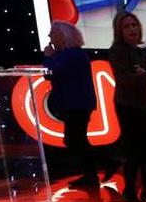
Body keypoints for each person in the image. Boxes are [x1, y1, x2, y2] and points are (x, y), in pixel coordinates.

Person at [109, 11, 146, 202]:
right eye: (127, 26)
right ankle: (129, 192)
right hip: (128, 106)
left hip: (144, 105)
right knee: (134, 150)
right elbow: (127, 80)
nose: (132, 29)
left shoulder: (141, 52)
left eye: (134, 25)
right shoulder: (117, 51)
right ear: (120, 31)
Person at [43, 21, 109, 187]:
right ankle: (94, 172)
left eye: (52, 33)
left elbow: (50, 73)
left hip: (76, 103)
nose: (49, 37)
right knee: (76, 139)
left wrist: (48, 57)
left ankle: (104, 165)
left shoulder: (71, 55)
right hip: (76, 103)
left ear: (63, 36)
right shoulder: (72, 54)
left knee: (74, 140)